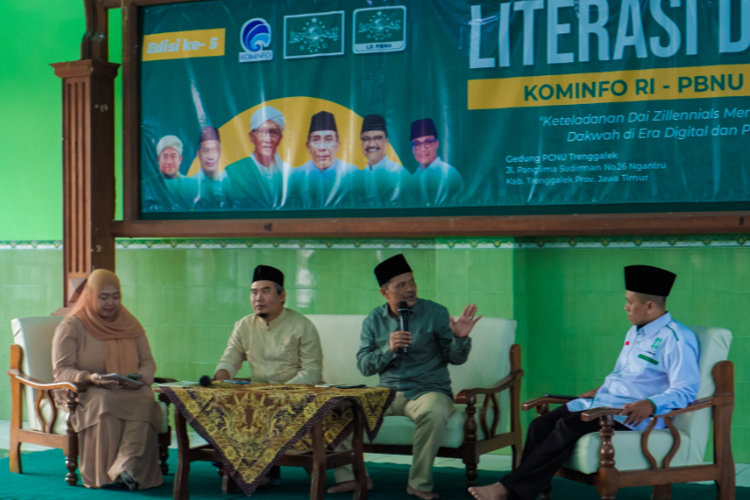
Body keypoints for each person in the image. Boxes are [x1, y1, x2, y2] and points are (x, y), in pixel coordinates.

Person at [468, 265, 701, 500]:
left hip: (632, 416)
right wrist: (601, 390)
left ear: (650, 306)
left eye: (630, 302)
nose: (625, 307)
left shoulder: (677, 338)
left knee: (567, 427)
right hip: (605, 403)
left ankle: (507, 489)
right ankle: (518, 495)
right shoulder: (635, 332)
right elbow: (629, 376)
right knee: (539, 426)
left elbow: (686, 389)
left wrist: (650, 404)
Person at [214, 265, 366, 492]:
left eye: (265, 291)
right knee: (226, 409)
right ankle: (253, 471)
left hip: (300, 396)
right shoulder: (244, 325)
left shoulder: (302, 325)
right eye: (254, 292)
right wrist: (220, 379)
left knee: (335, 413)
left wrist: (281, 393)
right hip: (259, 399)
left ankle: (352, 478)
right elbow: (230, 360)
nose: (258, 298)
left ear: (282, 295)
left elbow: (312, 371)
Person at [357, 254, 482, 500]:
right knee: (338, 411)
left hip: (428, 390)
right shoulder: (373, 320)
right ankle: (351, 477)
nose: (410, 289)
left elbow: (455, 359)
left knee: (433, 413)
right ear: (385, 293)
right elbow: (364, 366)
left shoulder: (435, 312)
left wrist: (460, 338)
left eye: (411, 281)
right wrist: (387, 349)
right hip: (387, 393)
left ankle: (419, 484)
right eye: (400, 285)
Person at [51, 269, 163, 490]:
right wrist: (90, 377)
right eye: (104, 297)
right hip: (84, 391)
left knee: (145, 396)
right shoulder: (72, 325)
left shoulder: (129, 323)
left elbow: (148, 361)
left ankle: (126, 466)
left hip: (125, 387)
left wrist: (140, 379)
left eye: (116, 296)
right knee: (104, 399)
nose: (111, 303)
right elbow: (62, 370)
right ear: (92, 295)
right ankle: (108, 474)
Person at [288, 111, 359, 209]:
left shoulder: (352, 173)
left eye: (328, 139)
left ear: (337, 146)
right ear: (308, 147)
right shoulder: (296, 175)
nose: (322, 147)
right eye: (316, 140)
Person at [224, 106, 291, 210]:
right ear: (251, 137)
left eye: (273, 132)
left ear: (280, 138)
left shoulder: (289, 173)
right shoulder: (234, 172)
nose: (268, 139)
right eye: (262, 132)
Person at [356, 114, 411, 207]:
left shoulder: (400, 174)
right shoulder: (357, 178)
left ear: (386, 142)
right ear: (361, 143)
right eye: (366, 139)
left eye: (377, 138)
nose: (371, 144)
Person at [409, 119, 463, 206]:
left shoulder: (450, 174)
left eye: (427, 142)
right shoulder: (412, 179)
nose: (423, 149)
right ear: (412, 149)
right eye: (417, 144)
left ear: (436, 144)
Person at [142, 135, 198, 211]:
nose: (169, 162)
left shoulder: (192, 184)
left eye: (173, 156)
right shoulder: (148, 185)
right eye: (165, 156)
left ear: (180, 159)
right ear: (158, 159)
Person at [193, 126, 229, 210]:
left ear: (220, 153)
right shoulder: (190, 183)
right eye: (206, 150)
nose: (210, 156)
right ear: (198, 153)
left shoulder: (227, 183)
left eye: (214, 150)